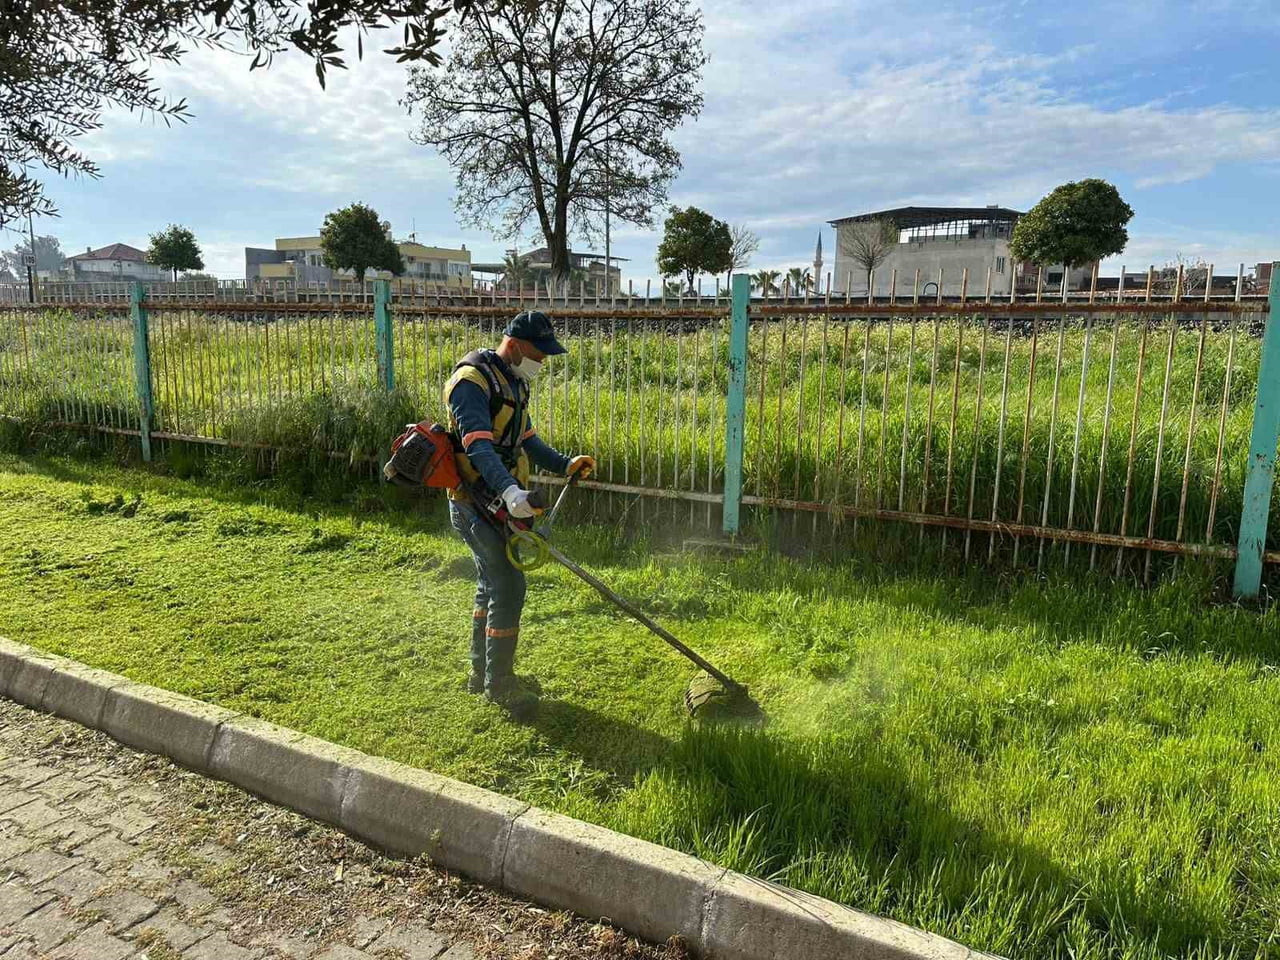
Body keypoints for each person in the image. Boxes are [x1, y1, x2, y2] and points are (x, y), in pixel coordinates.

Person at [443, 310, 595, 718]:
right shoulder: (470, 383)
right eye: (538, 353)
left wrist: (565, 464)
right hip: (473, 501)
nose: (542, 360)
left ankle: (484, 672)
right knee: (508, 586)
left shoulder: (513, 381)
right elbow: (477, 446)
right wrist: (510, 492)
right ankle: (500, 685)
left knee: (489, 585)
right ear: (515, 344)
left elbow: (527, 440)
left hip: (499, 499)